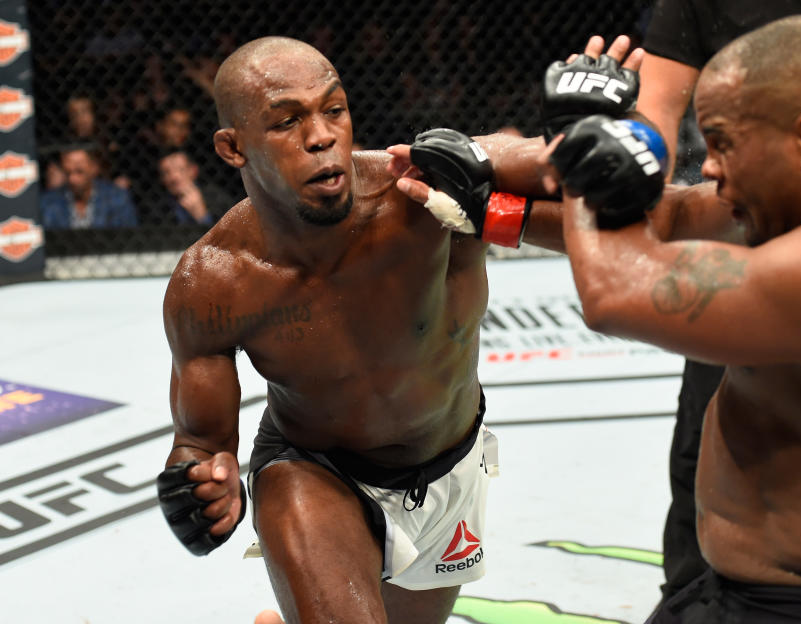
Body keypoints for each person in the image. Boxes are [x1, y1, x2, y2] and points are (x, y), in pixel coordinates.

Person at [546, 17, 801, 622]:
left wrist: (582, 138)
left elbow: (614, 289)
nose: (708, 166)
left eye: (722, 142)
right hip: (735, 592)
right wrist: (483, 184)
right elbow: (676, 217)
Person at [155, 35, 563, 624]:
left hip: (452, 462)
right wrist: (201, 487)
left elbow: (528, 164)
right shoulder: (212, 284)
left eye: (334, 109)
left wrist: (585, 134)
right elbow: (200, 443)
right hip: (315, 469)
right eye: (287, 121)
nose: (321, 136)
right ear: (233, 147)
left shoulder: (419, 195)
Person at [39, 145, 138, 229]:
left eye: (79, 172)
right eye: (68, 173)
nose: (72, 179)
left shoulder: (117, 198)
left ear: (94, 168)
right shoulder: (48, 202)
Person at [154, 148, 233, 226]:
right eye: (166, 173)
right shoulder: (157, 206)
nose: (174, 177)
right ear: (161, 179)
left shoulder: (216, 196)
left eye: (181, 170)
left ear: (193, 171)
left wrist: (202, 216)